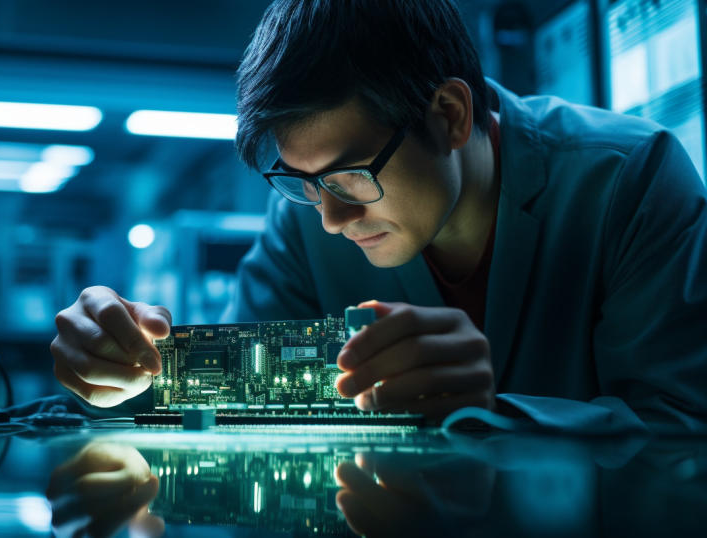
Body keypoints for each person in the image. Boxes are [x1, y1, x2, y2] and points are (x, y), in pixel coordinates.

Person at [49, 0, 707, 431]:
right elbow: (227, 401)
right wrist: (118, 369)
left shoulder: (631, 180)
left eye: (349, 176)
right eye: (302, 182)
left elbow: (683, 431)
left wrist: (493, 416)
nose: (331, 217)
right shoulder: (308, 212)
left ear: (450, 116)